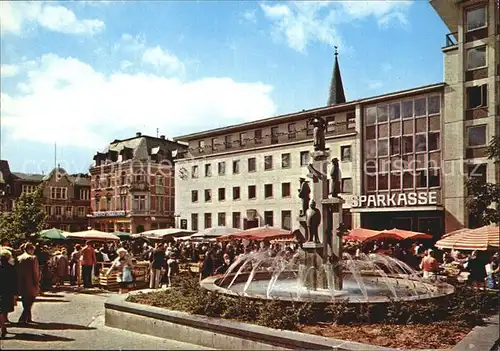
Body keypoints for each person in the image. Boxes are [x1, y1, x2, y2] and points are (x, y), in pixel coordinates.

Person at [17, 243, 40, 324]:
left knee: (24, 300)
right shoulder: (33, 258)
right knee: (30, 300)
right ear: (30, 249)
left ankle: (28, 317)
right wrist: (37, 283)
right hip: (31, 282)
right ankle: (23, 318)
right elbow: (35, 272)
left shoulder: (19, 258)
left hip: (21, 282)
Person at [0, 248, 17, 338]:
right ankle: (3, 326)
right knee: (3, 309)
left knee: (1, 310)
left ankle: (3, 326)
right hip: (7, 291)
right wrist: (15, 293)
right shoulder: (11, 268)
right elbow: (14, 281)